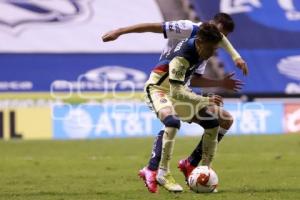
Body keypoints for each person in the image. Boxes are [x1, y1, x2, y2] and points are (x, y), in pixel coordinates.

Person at [102, 14, 245, 193]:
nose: (211, 54)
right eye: (211, 49)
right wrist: (120, 32)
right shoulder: (184, 49)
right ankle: (160, 172)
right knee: (172, 122)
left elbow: (194, 77)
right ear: (202, 40)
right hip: (159, 88)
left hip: (178, 88)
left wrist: (236, 58)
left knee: (216, 122)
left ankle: (201, 169)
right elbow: (177, 90)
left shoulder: (206, 45)